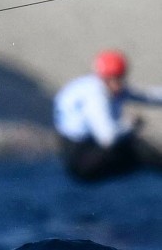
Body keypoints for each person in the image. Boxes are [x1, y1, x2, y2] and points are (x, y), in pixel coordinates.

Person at [53, 49, 162, 181]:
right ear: (102, 78)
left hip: (78, 150)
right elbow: (108, 138)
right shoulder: (96, 96)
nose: (117, 84)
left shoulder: (96, 85)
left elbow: (147, 96)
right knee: (141, 150)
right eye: (111, 79)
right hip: (81, 159)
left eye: (120, 78)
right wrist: (130, 125)